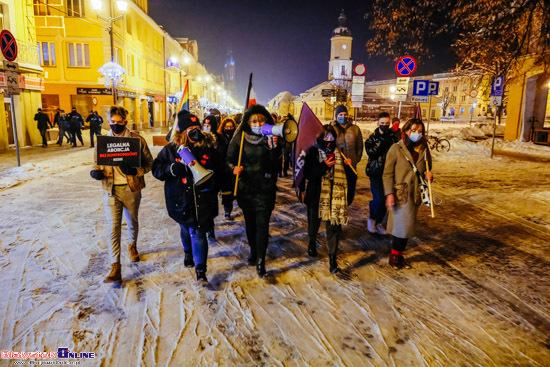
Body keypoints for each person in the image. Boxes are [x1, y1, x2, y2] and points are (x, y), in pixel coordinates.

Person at [152, 110, 223, 285]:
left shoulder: (208, 147)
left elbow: (220, 171)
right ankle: (187, 252)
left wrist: (214, 184)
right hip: (180, 200)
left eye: (197, 127)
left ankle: (201, 271)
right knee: (186, 229)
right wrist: (171, 169)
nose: (195, 131)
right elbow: (156, 169)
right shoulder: (171, 149)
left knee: (198, 231)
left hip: (202, 199)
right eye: (190, 128)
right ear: (182, 132)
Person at [89, 106, 153, 283]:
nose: (115, 125)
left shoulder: (137, 140)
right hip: (110, 190)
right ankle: (115, 266)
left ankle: (132, 246)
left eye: (119, 122)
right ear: (108, 121)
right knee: (113, 227)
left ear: (125, 121)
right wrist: (95, 172)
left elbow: (149, 163)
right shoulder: (103, 142)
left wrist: (136, 169)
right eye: (112, 122)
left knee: (132, 221)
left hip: (131, 188)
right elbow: (96, 163)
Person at [227, 105, 282, 278]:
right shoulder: (240, 138)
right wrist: (233, 168)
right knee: (250, 224)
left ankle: (261, 260)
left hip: (265, 189)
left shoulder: (271, 137)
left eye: (261, 120)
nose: (258, 123)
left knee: (262, 225)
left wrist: (274, 149)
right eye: (254, 121)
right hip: (247, 189)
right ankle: (253, 250)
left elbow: (276, 166)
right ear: (248, 123)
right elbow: (228, 160)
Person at [383, 118, 433, 270]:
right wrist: (389, 193)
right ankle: (394, 256)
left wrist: (429, 176)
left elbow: (427, 170)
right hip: (400, 193)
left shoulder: (424, 149)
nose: (416, 134)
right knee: (401, 228)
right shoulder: (396, 148)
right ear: (405, 131)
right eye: (413, 130)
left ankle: (399, 255)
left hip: (415, 194)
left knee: (406, 228)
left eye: (419, 131)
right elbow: (387, 174)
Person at [303, 124, 351, 273]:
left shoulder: (340, 152)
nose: (329, 140)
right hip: (316, 194)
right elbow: (308, 174)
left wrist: (349, 166)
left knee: (334, 227)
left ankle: (332, 258)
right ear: (320, 137)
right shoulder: (313, 151)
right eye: (326, 137)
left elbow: (351, 177)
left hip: (335, 195)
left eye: (332, 137)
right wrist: (323, 166)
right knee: (314, 222)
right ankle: (312, 241)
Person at [365, 112, 398, 235]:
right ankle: (372, 218)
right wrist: (382, 140)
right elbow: (372, 153)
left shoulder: (394, 138)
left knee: (386, 200)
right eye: (382, 123)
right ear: (378, 123)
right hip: (376, 172)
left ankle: (378, 222)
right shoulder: (372, 138)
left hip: (389, 174)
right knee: (378, 199)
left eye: (387, 123)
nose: (385, 125)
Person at [330, 105, 363, 205]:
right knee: (337, 191)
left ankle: (346, 206)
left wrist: (355, 160)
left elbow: (360, 146)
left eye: (345, 114)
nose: (343, 117)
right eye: (340, 114)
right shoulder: (332, 129)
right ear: (336, 116)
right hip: (337, 166)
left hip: (350, 165)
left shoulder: (355, 129)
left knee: (350, 191)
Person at [202, 114, 220, 241]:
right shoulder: (200, 138)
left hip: (214, 177)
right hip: (202, 177)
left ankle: (210, 227)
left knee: (211, 205)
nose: (207, 127)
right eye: (205, 125)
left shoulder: (219, 139)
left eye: (209, 125)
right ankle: (207, 227)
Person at [217, 117, 237, 219]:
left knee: (235, 190)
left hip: (234, 167)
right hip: (224, 169)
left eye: (231, 126)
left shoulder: (236, 137)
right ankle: (227, 211)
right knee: (227, 192)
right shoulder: (219, 138)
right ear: (223, 127)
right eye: (227, 126)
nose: (229, 128)